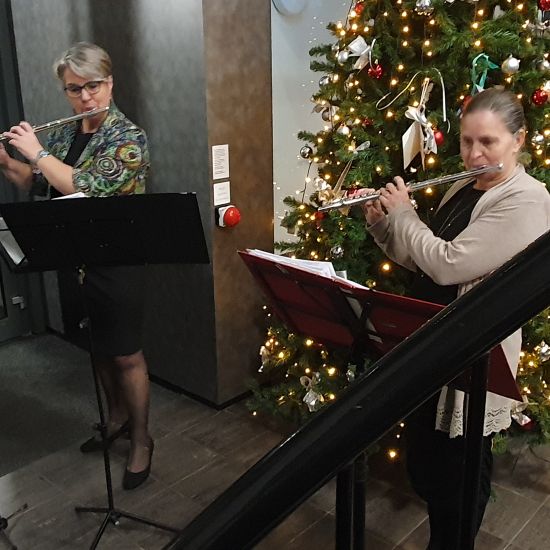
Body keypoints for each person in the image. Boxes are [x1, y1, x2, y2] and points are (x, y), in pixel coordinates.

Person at [361, 88, 550, 548]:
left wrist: (405, 214)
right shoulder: (462, 186)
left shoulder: (528, 200)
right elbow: (423, 260)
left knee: (460, 477)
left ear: (518, 140)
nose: (473, 154)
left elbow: (448, 263)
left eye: (488, 142)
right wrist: (384, 224)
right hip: (429, 341)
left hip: (470, 354)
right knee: (426, 464)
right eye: (466, 141)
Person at [0, 42, 153, 490]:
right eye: (74, 89)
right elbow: (38, 182)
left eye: (94, 86)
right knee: (98, 347)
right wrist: (10, 160)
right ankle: (118, 419)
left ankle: (143, 440)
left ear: (110, 83)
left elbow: (83, 188)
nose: (86, 97)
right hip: (78, 254)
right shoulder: (68, 134)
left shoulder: (129, 137)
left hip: (119, 260)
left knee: (125, 352)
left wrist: (36, 153)